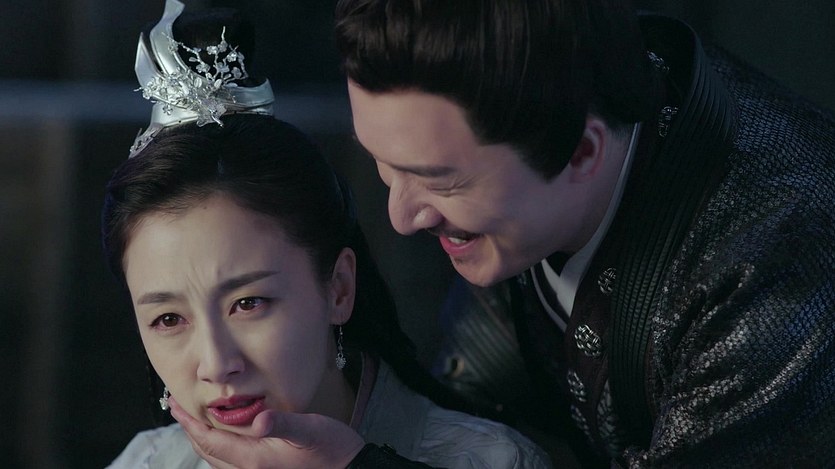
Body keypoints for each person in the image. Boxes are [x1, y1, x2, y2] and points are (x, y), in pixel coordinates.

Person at [329, 0, 835, 467]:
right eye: (382, 162)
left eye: (439, 180)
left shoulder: (776, 262)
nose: (401, 216)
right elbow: (469, 401)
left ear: (581, 151)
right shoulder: (536, 126)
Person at [103, 1, 553, 468]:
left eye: (248, 303)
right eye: (168, 320)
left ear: (338, 288)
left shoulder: (492, 461)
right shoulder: (145, 462)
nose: (216, 365)